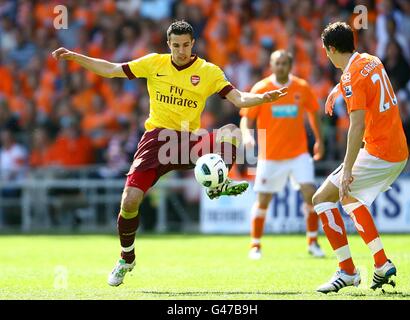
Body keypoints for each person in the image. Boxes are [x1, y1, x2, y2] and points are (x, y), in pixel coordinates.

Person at [52, 20, 287, 287]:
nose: (181, 51)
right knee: (129, 201)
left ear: (193, 44)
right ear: (168, 45)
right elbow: (112, 70)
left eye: (186, 45)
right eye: (176, 46)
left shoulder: (208, 71)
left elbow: (240, 99)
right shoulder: (155, 63)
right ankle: (126, 258)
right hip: (157, 140)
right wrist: (75, 57)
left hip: (188, 140)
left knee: (231, 131)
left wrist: (262, 99)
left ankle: (218, 184)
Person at [313, 22, 408, 293]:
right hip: (398, 150)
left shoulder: (351, 77)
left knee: (321, 199)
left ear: (331, 49)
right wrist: (337, 89)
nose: (327, 56)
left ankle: (347, 271)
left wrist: (347, 170)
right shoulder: (371, 60)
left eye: (326, 51)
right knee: (348, 198)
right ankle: (381, 263)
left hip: (380, 152)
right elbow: (360, 81)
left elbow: (357, 125)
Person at [240, 50, 325, 260]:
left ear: (290, 66)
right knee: (263, 200)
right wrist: (246, 136)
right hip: (270, 156)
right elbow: (246, 118)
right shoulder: (261, 88)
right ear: (271, 65)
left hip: (298, 154)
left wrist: (320, 140)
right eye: (277, 63)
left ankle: (313, 242)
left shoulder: (301, 88)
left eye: (285, 63)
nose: (280, 67)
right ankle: (255, 245)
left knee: (310, 193)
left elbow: (313, 113)